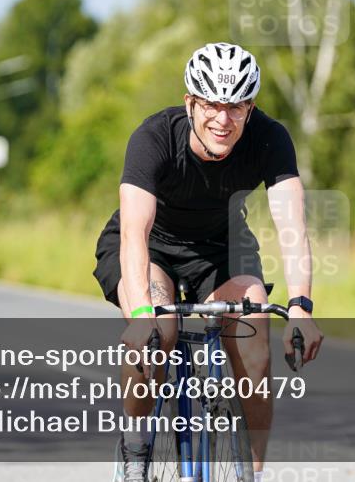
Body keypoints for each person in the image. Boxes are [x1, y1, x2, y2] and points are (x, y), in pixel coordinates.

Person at [95, 42, 324, 482]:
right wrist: (141, 314)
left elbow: (292, 227)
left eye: (236, 107)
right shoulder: (153, 137)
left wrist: (301, 307)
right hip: (152, 246)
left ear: (250, 108)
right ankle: (136, 448)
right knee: (158, 333)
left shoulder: (269, 138)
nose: (223, 119)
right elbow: (135, 232)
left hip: (221, 246)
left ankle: (251, 474)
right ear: (190, 102)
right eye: (211, 105)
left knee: (255, 338)